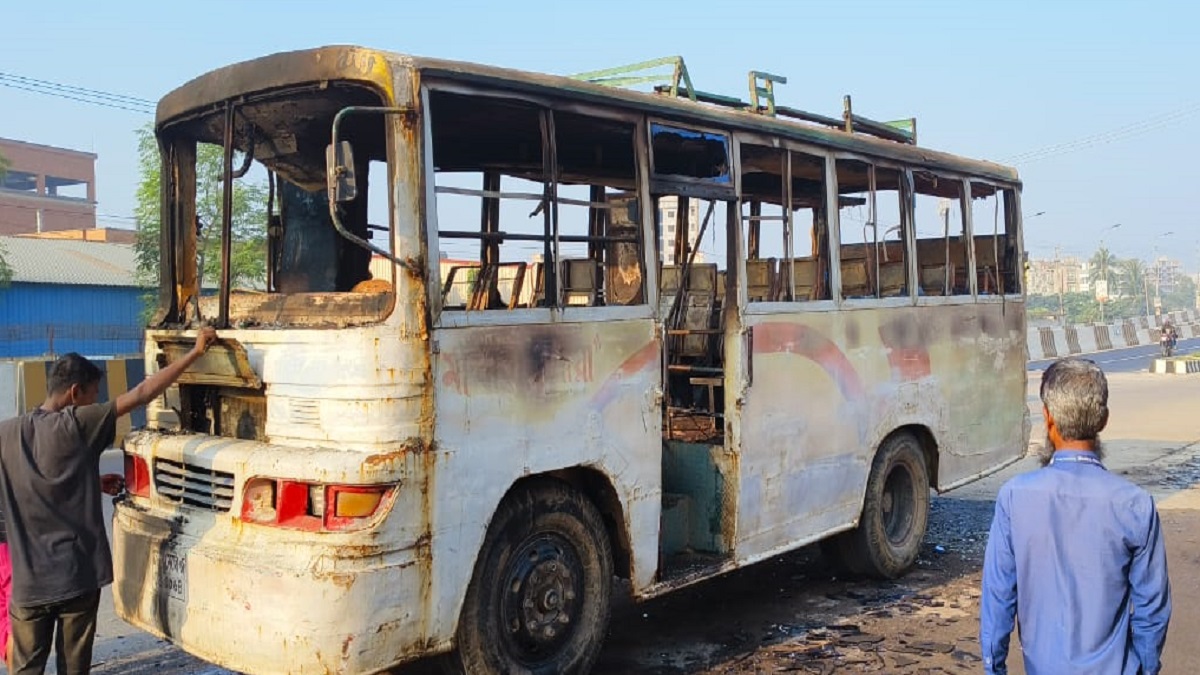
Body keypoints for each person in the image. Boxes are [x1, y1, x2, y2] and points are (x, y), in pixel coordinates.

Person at [0, 327, 217, 675]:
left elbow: (34, 481)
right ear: (75, 393)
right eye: (92, 395)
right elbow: (143, 393)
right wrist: (195, 352)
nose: (94, 402)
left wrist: (90, 481)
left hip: (29, 585)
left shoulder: (7, 433)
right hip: (76, 579)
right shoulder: (79, 423)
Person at [980, 357, 1171, 674]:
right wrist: (1146, 669)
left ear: (1048, 417)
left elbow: (998, 599)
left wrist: (994, 668)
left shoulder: (1014, 497)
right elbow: (1152, 609)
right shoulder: (1135, 505)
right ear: (1103, 420)